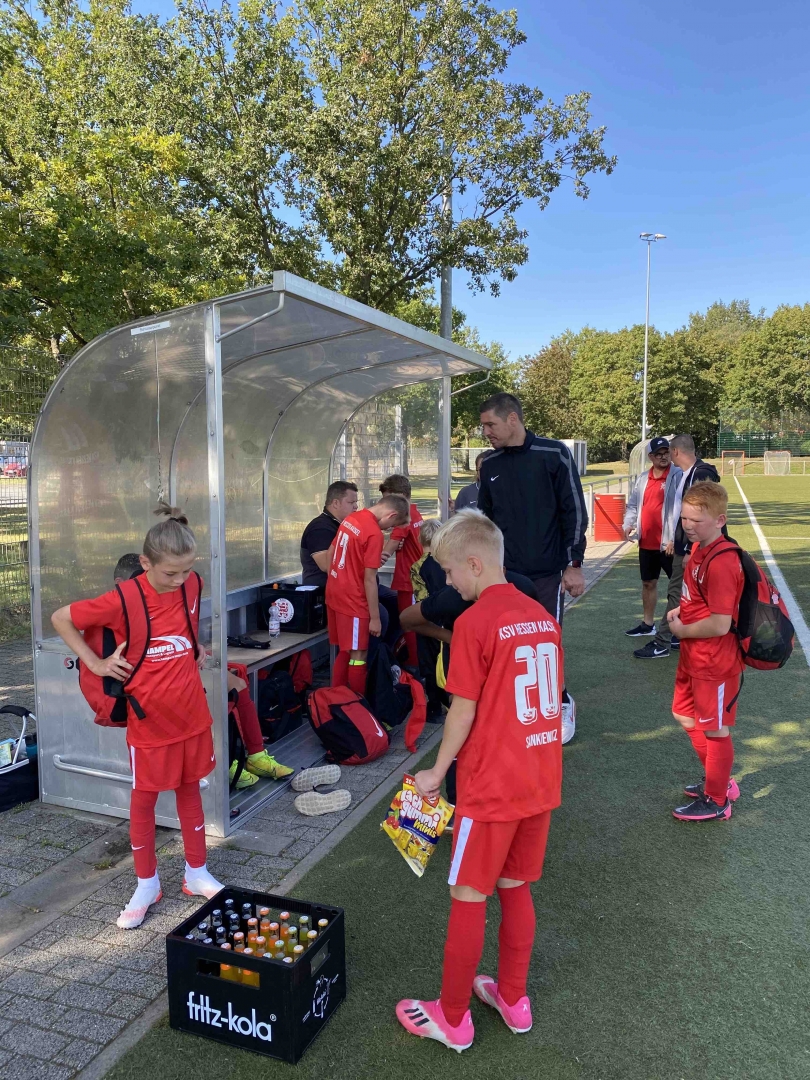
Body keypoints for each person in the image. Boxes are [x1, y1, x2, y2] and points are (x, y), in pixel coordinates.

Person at [396, 510, 562, 1052]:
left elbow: (462, 711)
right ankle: (514, 999)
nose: (447, 583)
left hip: (492, 784)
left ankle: (452, 1018)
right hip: (539, 779)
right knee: (516, 887)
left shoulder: (474, 623)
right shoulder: (541, 615)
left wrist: (437, 771)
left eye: (447, 572)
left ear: (473, 563)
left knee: (468, 895)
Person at [51, 505, 224, 929]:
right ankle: (147, 883)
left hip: (191, 711)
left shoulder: (192, 583)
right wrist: (94, 663)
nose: (180, 580)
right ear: (145, 563)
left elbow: (184, 623)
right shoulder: (123, 598)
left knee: (190, 789)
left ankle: (196, 872)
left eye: (187, 570)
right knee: (144, 799)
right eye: (170, 573)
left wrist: (195, 645)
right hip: (149, 719)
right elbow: (61, 618)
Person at [113, 554, 291, 790]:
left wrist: (194, 647)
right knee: (212, 692)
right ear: (120, 583)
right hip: (149, 690)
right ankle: (226, 761)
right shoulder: (116, 607)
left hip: (179, 672)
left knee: (235, 682)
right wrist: (99, 663)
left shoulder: (160, 597)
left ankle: (254, 755)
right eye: (139, 580)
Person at [477, 392, 586, 744]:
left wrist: (573, 564)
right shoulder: (490, 465)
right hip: (504, 577)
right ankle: (519, 706)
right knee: (509, 644)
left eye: (490, 424)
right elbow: (484, 522)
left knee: (546, 641)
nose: (486, 432)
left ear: (512, 419)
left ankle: (561, 702)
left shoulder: (553, 454)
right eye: (483, 426)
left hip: (547, 573)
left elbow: (575, 512)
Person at [667, 482, 743, 822]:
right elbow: (698, 598)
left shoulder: (723, 560)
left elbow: (720, 624)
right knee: (684, 715)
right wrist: (681, 612)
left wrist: (682, 630)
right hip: (693, 656)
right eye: (685, 518)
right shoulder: (699, 546)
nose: (688, 525)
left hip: (714, 661)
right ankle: (719, 781)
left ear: (720, 520)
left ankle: (718, 799)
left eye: (696, 520)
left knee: (715, 729)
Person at [634, 434, 721, 659]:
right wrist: (677, 539)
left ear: (675, 452)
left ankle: (663, 641)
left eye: (668, 452)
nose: (666, 457)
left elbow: (701, 515)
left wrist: (690, 548)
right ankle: (683, 636)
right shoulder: (688, 474)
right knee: (687, 592)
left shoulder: (698, 474)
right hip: (688, 546)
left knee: (677, 593)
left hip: (697, 548)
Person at [325, 493, 410, 696]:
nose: (388, 530)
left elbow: (331, 552)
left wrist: (338, 578)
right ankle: (356, 704)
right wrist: (375, 618)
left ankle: (336, 699)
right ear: (391, 515)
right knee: (359, 654)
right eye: (391, 525)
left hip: (335, 592)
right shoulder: (373, 533)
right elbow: (370, 579)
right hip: (353, 600)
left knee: (346, 650)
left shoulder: (352, 518)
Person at [622, 437, 682, 641]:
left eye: (666, 452)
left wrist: (676, 538)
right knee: (648, 583)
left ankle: (679, 628)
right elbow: (633, 504)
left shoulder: (678, 475)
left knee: (678, 587)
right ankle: (648, 624)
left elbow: (682, 509)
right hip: (647, 542)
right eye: (659, 454)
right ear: (651, 457)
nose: (664, 457)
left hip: (669, 544)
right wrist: (628, 524)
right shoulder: (642, 478)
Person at [379, 474, 423, 667]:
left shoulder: (403, 519)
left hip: (409, 580)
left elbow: (385, 553)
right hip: (416, 578)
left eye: (390, 500)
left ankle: (414, 669)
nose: (388, 506)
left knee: (408, 624)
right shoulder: (415, 512)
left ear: (402, 496)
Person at [300, 481, 359, 587]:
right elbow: (327, 565)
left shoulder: (342, 525)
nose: (356, 506)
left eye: (356, 502)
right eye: (351, 502)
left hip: (348, 586)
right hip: (323, 591)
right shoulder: (319, 528)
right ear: (335, 503)